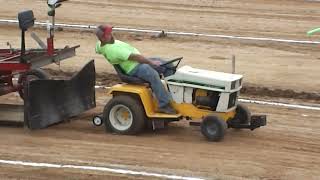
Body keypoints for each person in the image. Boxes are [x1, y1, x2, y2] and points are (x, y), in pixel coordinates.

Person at [94, 25, 176, 114]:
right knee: (153, 75)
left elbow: (98, 49)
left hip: (138, 62)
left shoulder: (100, 44)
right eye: (108, 33)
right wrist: (151, 63)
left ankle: (173, 94)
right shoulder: (113, 50)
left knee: (168, 65)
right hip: (134, 68)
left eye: (110, 32)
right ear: (103, 37)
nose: (111, 34)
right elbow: (135, 57)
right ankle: (164, 105)